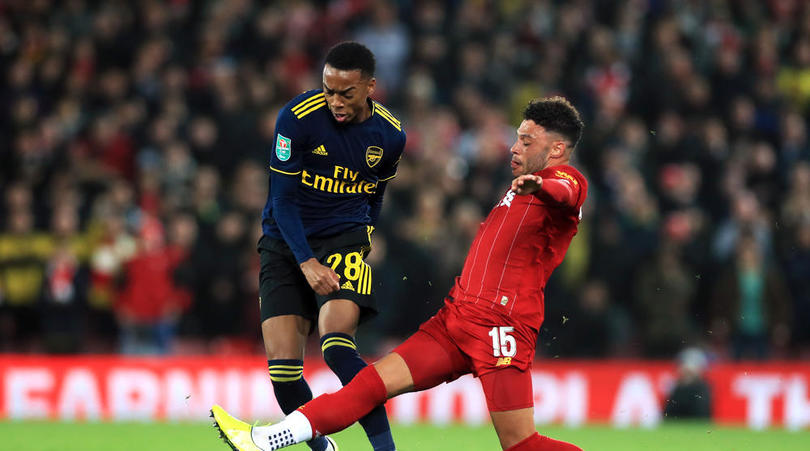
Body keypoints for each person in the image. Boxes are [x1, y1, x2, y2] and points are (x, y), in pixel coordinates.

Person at [213, 96, 587, 451]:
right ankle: (264, 441)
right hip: (455, 320)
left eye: (525, 140)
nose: (513, 147)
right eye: (516, 138)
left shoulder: (566, 180)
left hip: (500, 328)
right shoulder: (519, 186)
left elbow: (565, 193)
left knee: (521, 444)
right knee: (369, 385)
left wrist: (544, 185)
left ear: (555, 149)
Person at [251, 42, 405, 451]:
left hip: (344, 240)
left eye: (346, 93)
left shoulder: (390, 135)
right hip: (286, 243)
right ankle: (323, 450)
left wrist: (365, 236)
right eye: (328, 89)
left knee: (337, 346)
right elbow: (282, 200)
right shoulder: (296, 119)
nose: (335, 101)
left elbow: (376, 195)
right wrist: (305, 262)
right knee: (283, 373)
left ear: (370, 87)